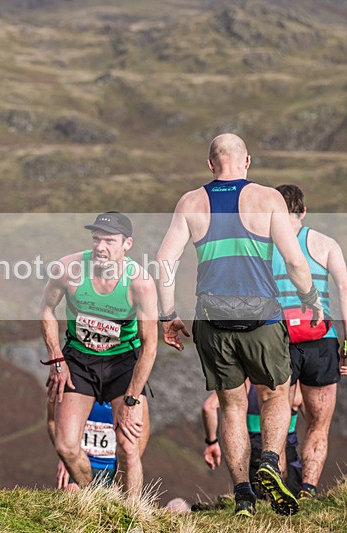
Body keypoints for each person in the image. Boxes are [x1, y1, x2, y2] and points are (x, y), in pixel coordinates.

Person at [156, 133, 324, 517]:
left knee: (231, 406)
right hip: (262, 318)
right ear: (246, 161)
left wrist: (168, 315)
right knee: (276, 394)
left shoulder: (191, 202)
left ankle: (244, 496)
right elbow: (296, 261)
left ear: (210, 164)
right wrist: (310, 299)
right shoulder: (268, 199)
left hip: (212, 321)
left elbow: (165, 261)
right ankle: (268, 459)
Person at [40, 211, 158, 500]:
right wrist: (56, 358)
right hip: (79, 360)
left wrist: (132, 398)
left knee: (129, 447)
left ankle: (132, 518)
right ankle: (97, 499)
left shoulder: (139, 283)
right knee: (66, 446)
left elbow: (150, 345)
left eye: (109, 241)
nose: (100, 247)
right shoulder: (67, 269)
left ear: (127, 244)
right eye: (96, 239)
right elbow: (45, 309)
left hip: (122, 363)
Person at [273, 184, 347, 499]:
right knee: (318, 424)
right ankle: (308, 490)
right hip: (322, 339)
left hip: (278, 340)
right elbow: (344, 289)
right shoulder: (325, 243)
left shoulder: (263, 246)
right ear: (302, 210)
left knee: (274, 422)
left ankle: (273, 494)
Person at [201, 381, 303, 498]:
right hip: (286, 449)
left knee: (256, 498)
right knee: (291, 500)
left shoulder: (243, 383)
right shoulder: (290, 384)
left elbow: (208, 407)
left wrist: (212, 442)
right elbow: (314, 424)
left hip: (253, 452)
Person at [47, 397, 151, 490]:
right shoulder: (70, 385)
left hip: (113, 467)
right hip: (79, 463)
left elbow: (143, 431)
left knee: (116, 506)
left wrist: (125, 468)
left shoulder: (130, 393)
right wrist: (66, 458)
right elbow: (52, 421)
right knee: (72, 497)